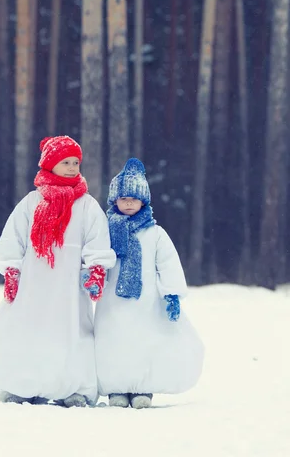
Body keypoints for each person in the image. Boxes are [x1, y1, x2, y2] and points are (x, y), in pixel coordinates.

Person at [0, 136, 116, 408]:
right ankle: (24, 383)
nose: (71, 167)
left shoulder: (86, 204)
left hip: (68, 285)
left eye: (76, 162)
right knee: (30, 330)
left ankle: (74, 387)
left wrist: (96, 268)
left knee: (72, 332)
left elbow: (97, 238)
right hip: (35, 282)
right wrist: (12, 271)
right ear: (50, 164)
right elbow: (13, 238)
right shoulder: (32, 201)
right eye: (65, 162)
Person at [94, 158, 204, 409]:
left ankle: (143, 389)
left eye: (134, 198)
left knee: (143, 341)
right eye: (123, 198)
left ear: (144, 200)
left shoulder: (155, 233)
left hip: (146, 301)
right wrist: (91, 275)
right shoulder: (105, 231)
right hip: (112, 300)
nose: (129, 202)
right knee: (114, 342)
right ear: (114, 201)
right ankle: (116, 390)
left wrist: (172, 294)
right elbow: (97, 255)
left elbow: (167, 263)